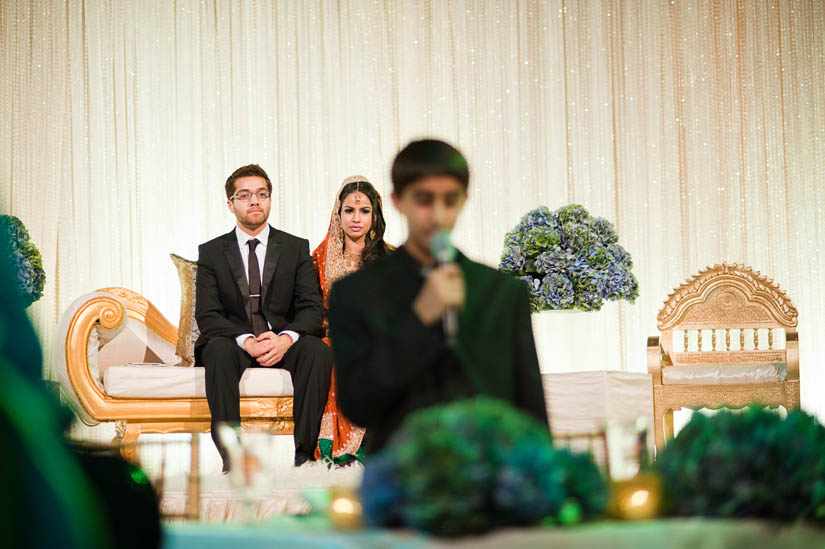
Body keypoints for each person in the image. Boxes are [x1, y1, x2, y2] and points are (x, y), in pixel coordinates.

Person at [328, 139, 548, 453]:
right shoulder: (356, 293)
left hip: (490, 476)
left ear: (464, 201)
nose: (438, 215)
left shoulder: (502, 292)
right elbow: (358, 404)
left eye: (450, 200)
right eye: (424, 200)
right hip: (400, 479)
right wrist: (419, 320)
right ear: (397, 201)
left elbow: (530, 409)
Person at [195, 164, 333, 468]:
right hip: (235, 342)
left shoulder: (296, 248)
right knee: (216, 349)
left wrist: (285, 339)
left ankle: (305, 457)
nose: (254, 201)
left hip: (281, 340)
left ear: (270, 200)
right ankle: (233, 459)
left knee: (317, 352)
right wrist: (246, 341)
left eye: (261, 194)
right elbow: (207, 315)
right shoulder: (212, 253)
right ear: (230, 204)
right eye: (244, 195)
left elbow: (312, 308)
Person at [311, 176, 392, 465]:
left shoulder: (390, 258)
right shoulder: (318, 258)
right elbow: (310, 310)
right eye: (349, 210)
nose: (356, 218)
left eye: (364, 211)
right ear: (338, 213)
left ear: (375, 215)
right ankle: (341, 447)